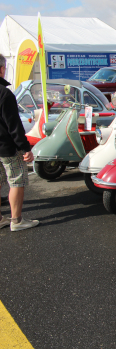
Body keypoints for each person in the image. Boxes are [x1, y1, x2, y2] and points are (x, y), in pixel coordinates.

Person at [0, 54, 39, 231]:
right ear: (2, 69)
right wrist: (25, 148)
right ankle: (16, 220)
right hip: (7, 148)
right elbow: (13, 125)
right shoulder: (5, 94)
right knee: (17, 181)